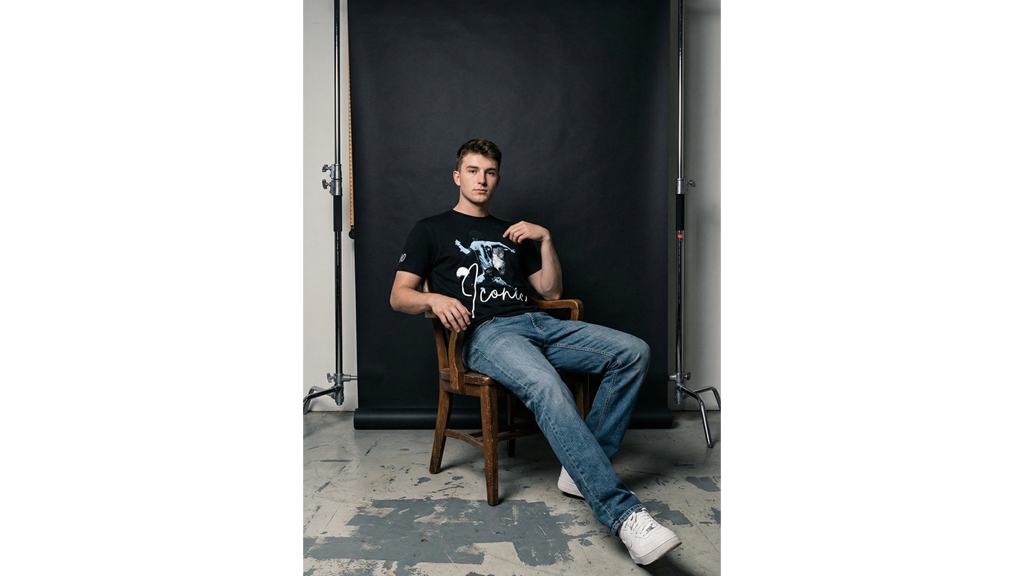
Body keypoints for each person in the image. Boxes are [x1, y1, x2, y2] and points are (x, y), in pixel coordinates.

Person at [390, 139, 681, 565]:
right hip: (487, 335)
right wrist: (433, 300)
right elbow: (399, 296)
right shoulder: (429, 229)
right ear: (458, 176)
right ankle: (624, 515)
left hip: (539, 321)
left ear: (497, 178)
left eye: (489, 172)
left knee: (633, 352)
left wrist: (545, 239)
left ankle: (581, 470)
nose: (481, 179)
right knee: (547, 385)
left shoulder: (511, 232)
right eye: (472, 171)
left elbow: (551, 291)